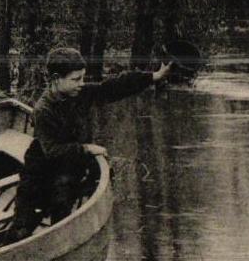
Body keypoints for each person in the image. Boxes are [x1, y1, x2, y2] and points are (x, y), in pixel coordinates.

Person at [10, 48, 173, 239]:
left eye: (83, 78)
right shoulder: (43, 110)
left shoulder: (79, 94)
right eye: (75, 79)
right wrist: (87, 148)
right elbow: (52, 150)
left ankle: (61, 241)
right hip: (39, 171)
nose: (82, 84)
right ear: (55, 79)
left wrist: (153, 77)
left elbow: (113, 87)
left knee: (62, 214)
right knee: (22, 226)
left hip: (67, 168)